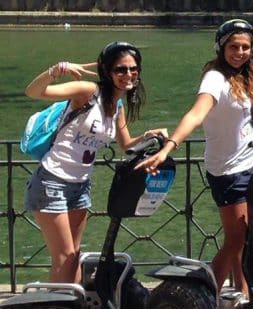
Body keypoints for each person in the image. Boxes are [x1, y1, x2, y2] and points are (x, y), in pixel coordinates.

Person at [139, 0, 253, 301]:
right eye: (233, 47)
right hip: (228, 170)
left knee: (244, 235)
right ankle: (203, 300)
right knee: (237, 239)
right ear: (221, 47)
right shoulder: (216, 79)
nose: (240, 52)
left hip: (252, 163)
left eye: (244, 47)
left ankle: (245, 293)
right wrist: (169, 146)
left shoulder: (245, 68)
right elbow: (196, 113)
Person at [25, 41, 162, 283]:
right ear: (108, 72)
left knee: (74, 255)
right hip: (51, 181)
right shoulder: (88, 91)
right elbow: (34, 92)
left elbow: (126, 144)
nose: (128, 75)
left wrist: (149, 135)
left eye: (133, 69)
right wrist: (58, 70)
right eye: (120, 69)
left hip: (80, 185)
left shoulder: (117, 106)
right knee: (64, 256)